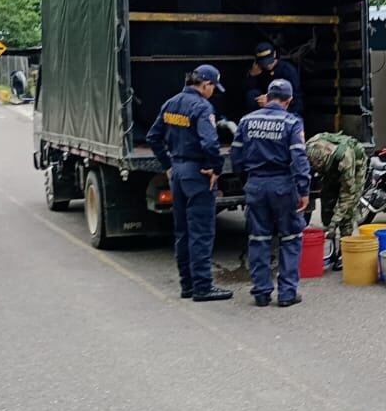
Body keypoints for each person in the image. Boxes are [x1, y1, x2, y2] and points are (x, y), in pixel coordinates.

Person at [146, 64, 234, 303]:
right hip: (197, 175)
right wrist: (215, 169)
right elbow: (210, 143)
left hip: (178, 173)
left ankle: (187, 285)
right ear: (205, 84)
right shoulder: (202, 107)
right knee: (201, 233)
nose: (213, 92)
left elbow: (153, 137)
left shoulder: (171, 103)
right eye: (213, 87)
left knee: (183, 232)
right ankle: (203, 287)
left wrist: (168, 165)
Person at [233, 78, 311, 307]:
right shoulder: (292, 122)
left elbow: (236, 157)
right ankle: (287, 294)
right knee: (290, 238)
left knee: (258, 239)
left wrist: (245, 180)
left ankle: (261, 292)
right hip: (283, 187)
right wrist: (304, 189)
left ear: (267, 97)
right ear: (289, 101)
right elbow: (299, 158)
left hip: (256, 185)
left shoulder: (247, 120)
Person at [306, 131, 367, 270]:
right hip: (332, 168)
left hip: (355, 166)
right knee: (327, 203)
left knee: (347, 213)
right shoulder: (310, 147)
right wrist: (329, 224)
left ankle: (343, 254)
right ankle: (332, 250)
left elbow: (347, 196)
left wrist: (335, 223)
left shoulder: (345, 159)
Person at [244, 41, 303, 115]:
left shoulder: (287, 70)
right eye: (264, 63)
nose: (268, 65)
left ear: (274, 54)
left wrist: (269, 99)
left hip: (284, 103)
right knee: (251, 94)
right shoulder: (258, 70)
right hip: (264, 106)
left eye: (270, 62)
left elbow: (294, 95)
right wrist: (252, 75)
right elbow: (249, 90)